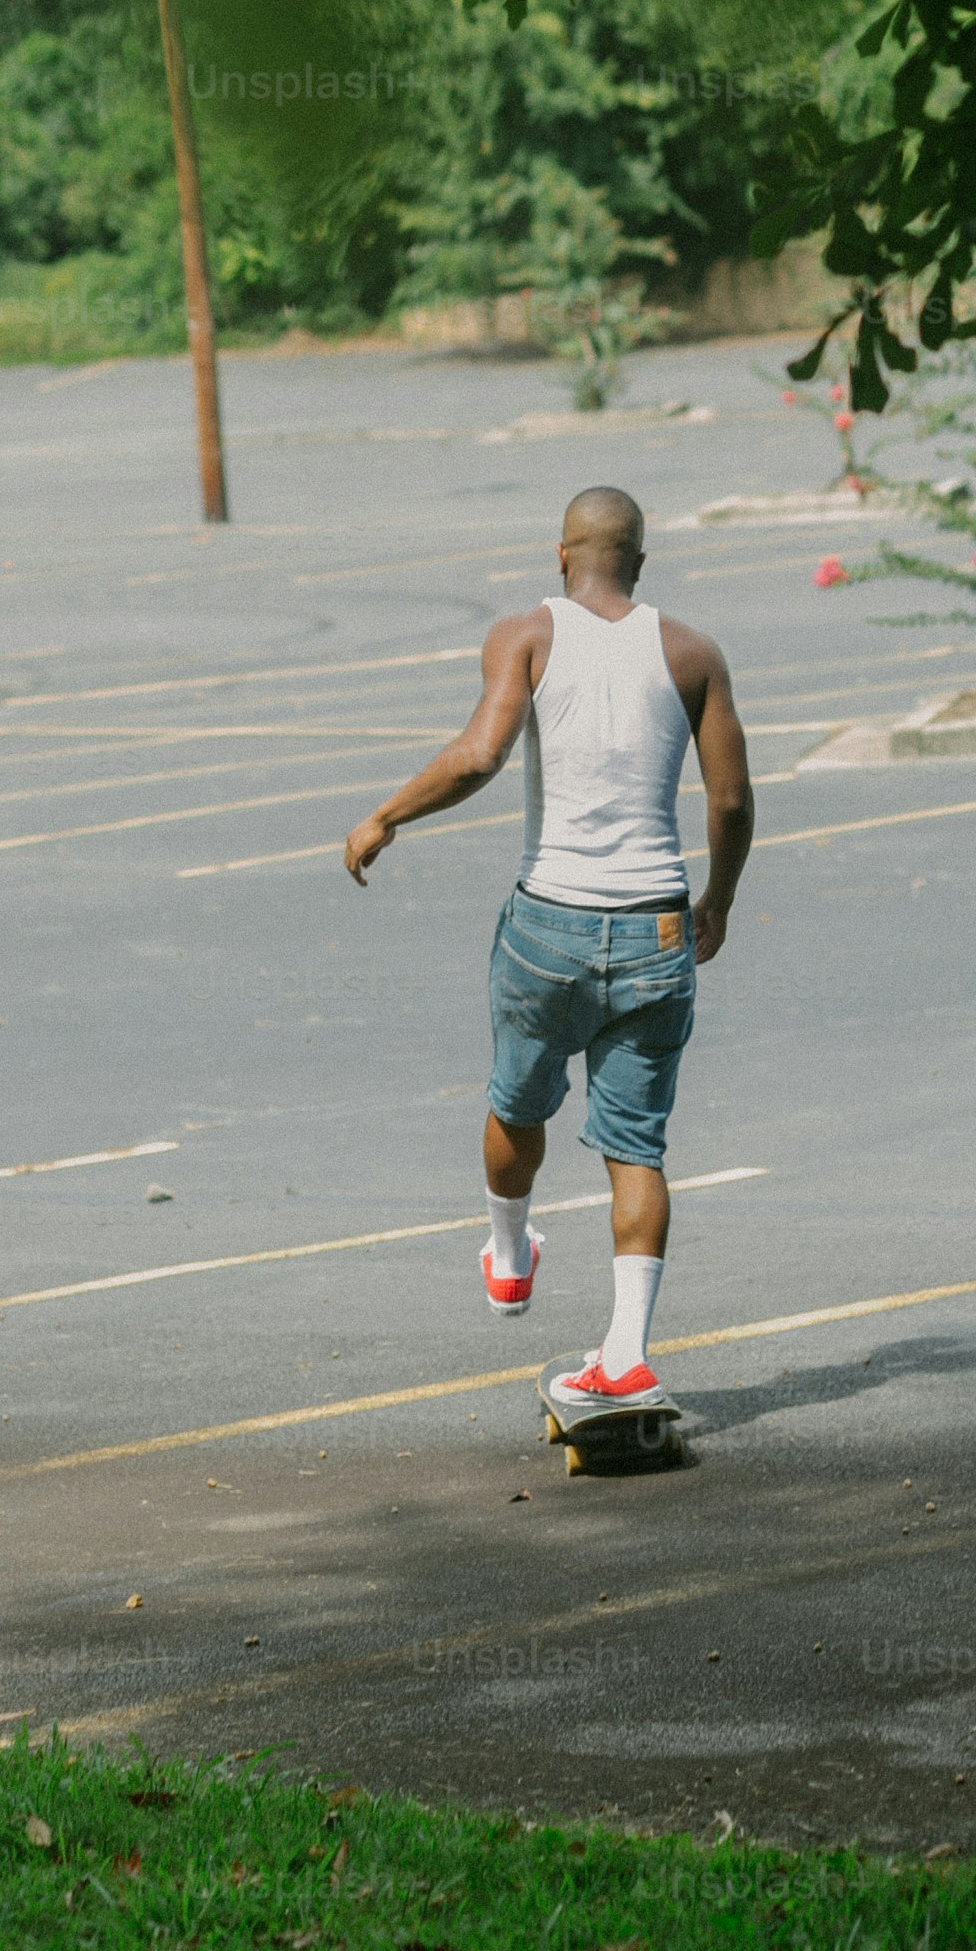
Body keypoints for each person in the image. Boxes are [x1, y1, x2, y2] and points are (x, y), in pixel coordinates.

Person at [343, 485, 754, 1414]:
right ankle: (626, 1354)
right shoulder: (690, 652)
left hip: (548, 926)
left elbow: (479, 755)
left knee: (516, 1101)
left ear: (560, 555)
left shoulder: (525, 633)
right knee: (636, 1148)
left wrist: (385, 816)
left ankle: (509, 1249)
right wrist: (716, 902)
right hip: (656, 927)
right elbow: (729, 802)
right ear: (640, 563)